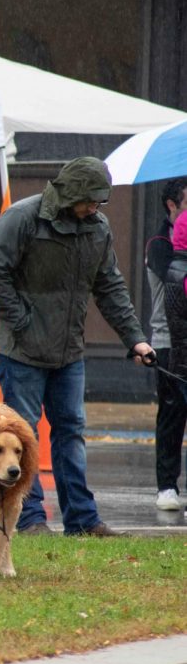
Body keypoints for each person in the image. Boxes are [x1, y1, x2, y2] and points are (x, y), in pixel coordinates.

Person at [0, 156, 154, 536]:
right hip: (21, 350)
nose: (96, 207)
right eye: (90, 199)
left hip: (68, 351)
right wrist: (24, 324)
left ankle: (83, 519)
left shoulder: (98, 228)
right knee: (22, 434)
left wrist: (135, 339)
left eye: (101, 202)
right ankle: (28, 518)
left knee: (71, 429)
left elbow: (109, 286)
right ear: (70, 193)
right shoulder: (22, 219)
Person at [148, 178, 187, 511]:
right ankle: (166, 485)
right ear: (172, 205)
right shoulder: (160, 243)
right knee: (172, 413)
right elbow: (176, 282)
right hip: (169, 341)